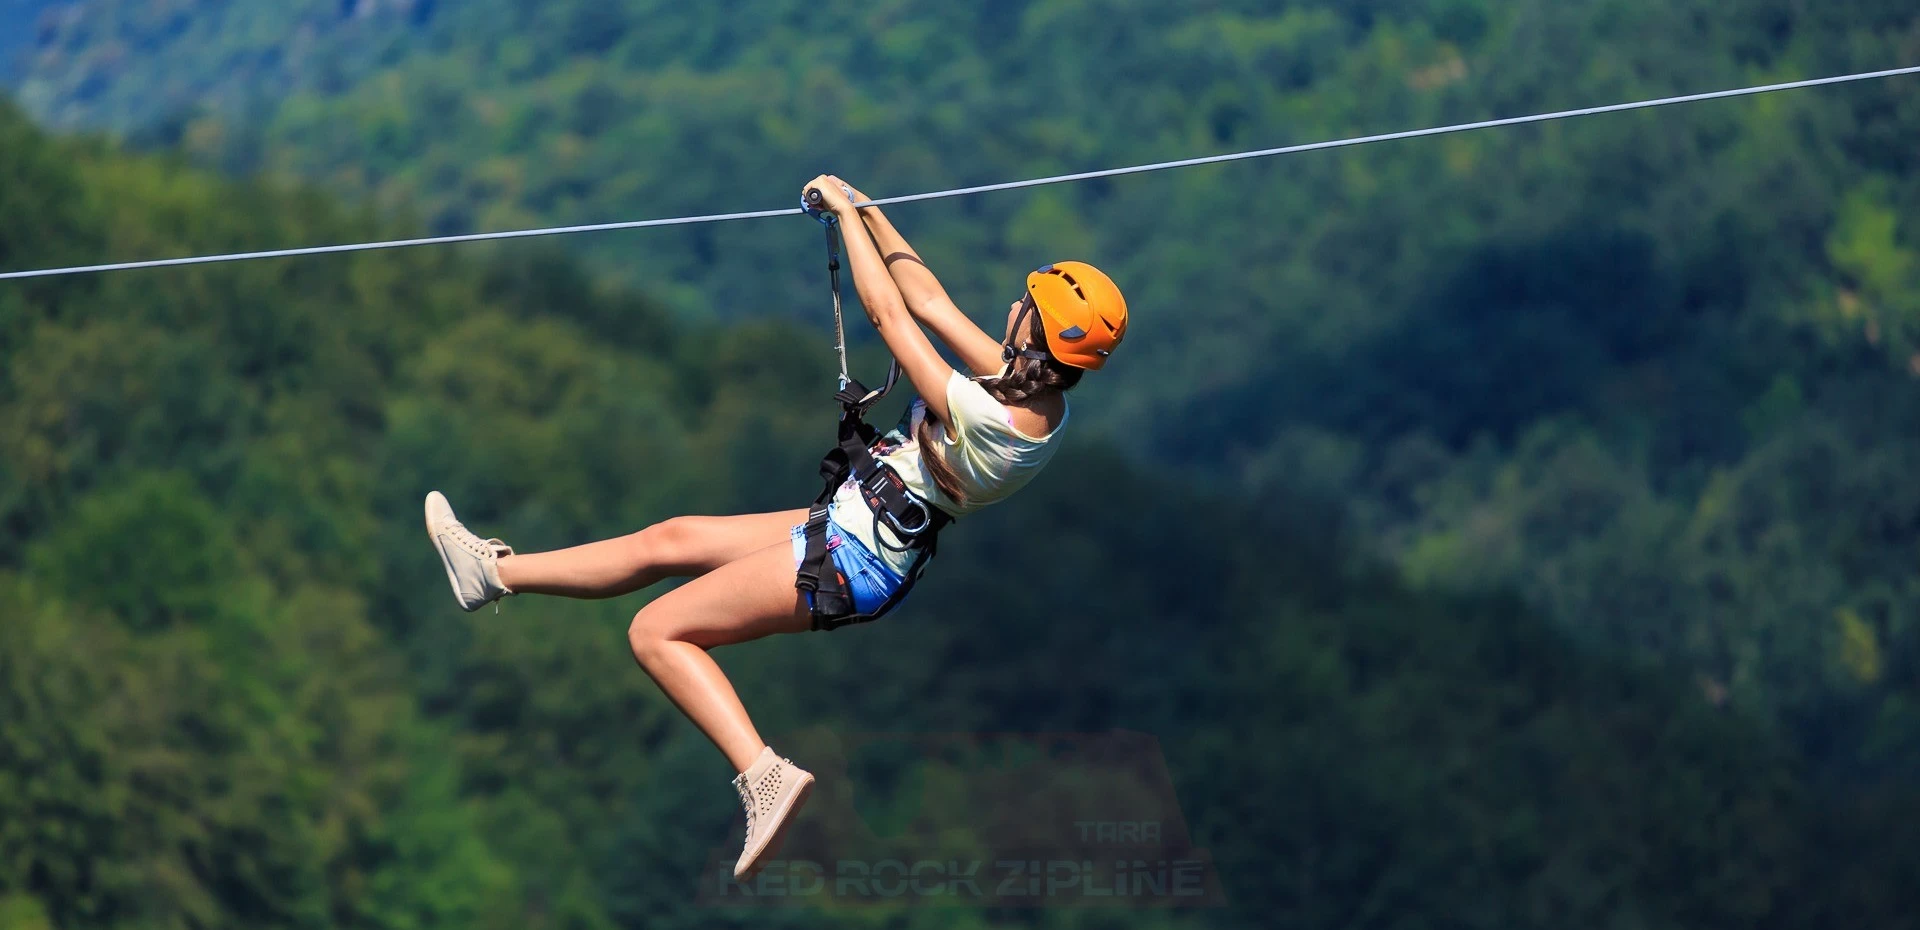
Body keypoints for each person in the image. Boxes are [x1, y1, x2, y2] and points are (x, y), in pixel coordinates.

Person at [422, 175, 1129, 880]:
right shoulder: (1031, 392)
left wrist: (849, 219)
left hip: (857, 557)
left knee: (655, 631)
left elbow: (892, 319)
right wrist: (867, 210)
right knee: (671, 539)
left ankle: (762, 773)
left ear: (1038, 330)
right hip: (858, 526)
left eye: (1026, 303)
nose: (1012, 303)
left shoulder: (999, 421)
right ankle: (492, 575)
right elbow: (929, 299)